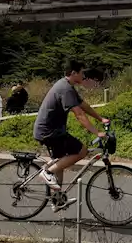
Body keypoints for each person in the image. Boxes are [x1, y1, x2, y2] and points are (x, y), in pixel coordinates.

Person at [34, 61, 110, 203]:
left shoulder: (67, 85)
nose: (83, 75)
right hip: (49, 131)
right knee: (82, 151)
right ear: (74, 73)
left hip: (51, 130)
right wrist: (97, 132)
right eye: (81, 73)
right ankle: (47, 172)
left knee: (60, 160)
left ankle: (57, 200)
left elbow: (83, 105)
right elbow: (79, 114)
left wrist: (101, 119)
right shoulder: (65, 89)